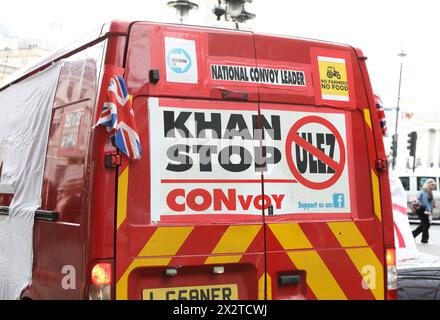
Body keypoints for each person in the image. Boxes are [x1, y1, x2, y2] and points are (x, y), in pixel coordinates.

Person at [412, 178, 436, 243]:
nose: (434, 186)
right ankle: (424, 239)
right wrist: (429, 210)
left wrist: (432, 206)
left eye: (434, 185)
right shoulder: (425, 191)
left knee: (424, 224)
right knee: (426, 224)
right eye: (432, 184)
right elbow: (425, 202)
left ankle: (413, 235)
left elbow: (428, 202)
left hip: (423, 209)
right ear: (428, 184)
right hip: (422, 209)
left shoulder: (429, 191)